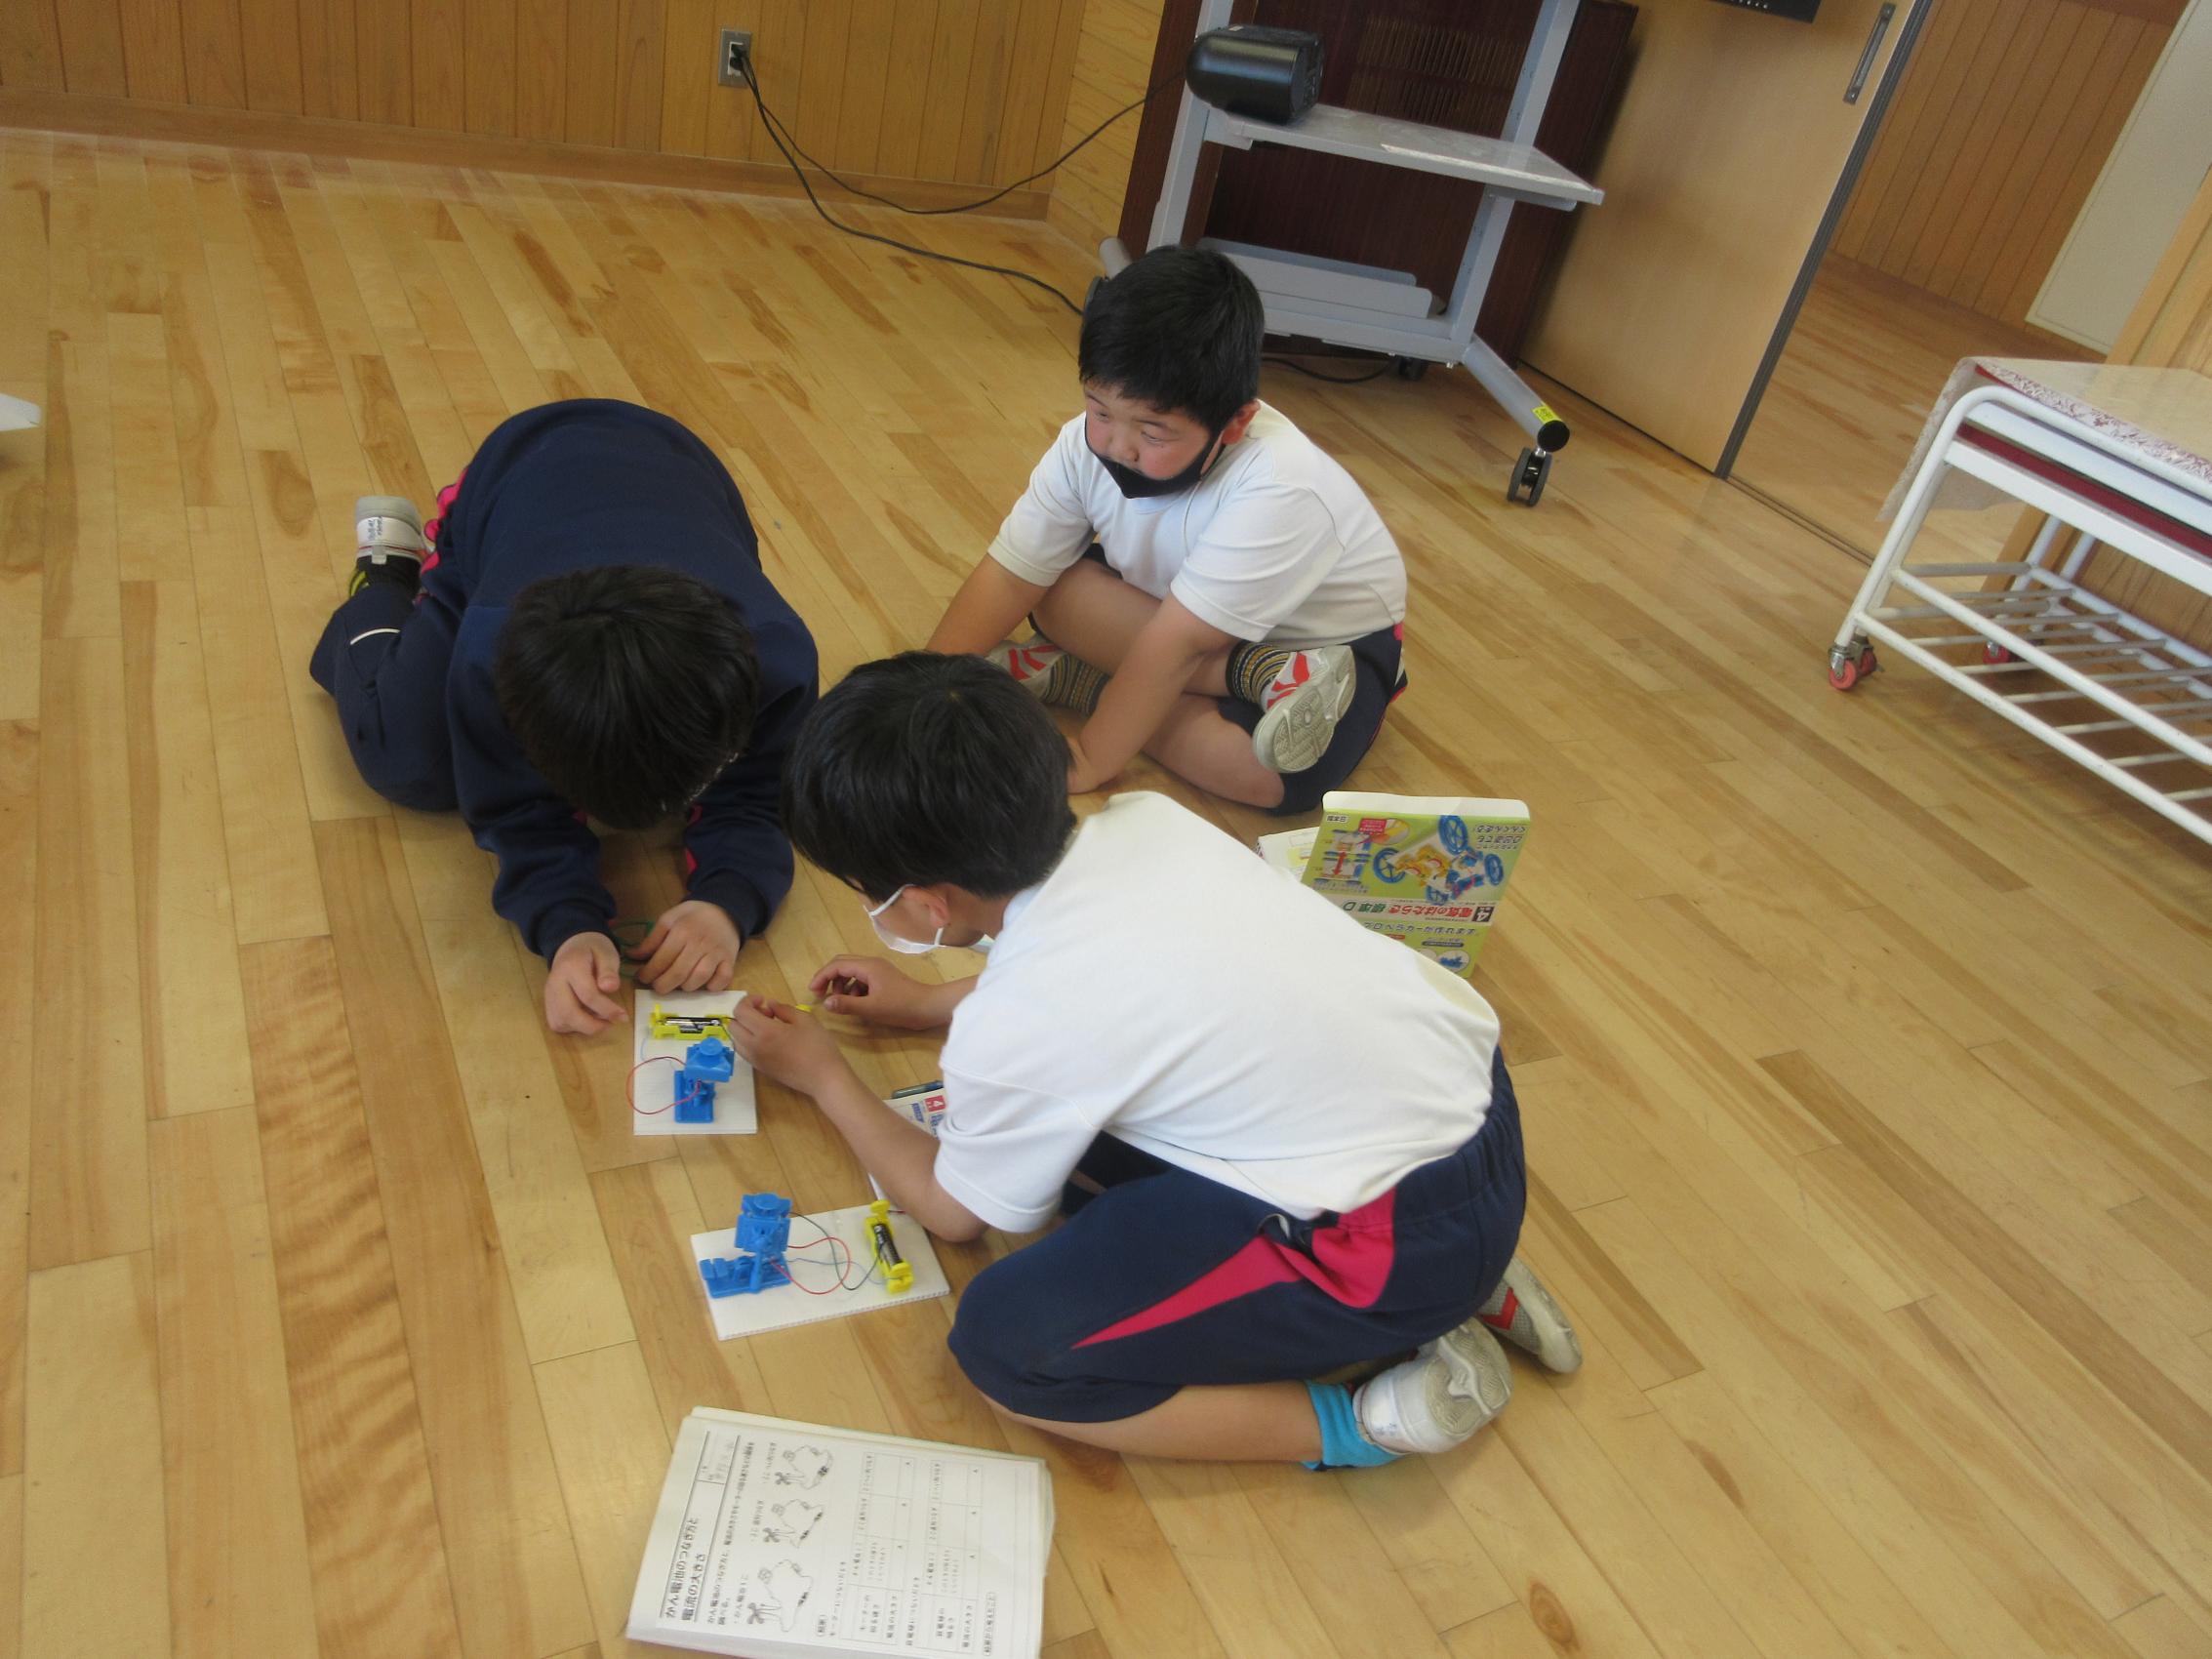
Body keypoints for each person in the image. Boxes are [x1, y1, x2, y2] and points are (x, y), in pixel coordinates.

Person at [729, 654, 1579, 1469]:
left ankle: (1373, 1420)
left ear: (922, 904)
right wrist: (924, 1004)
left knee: (1006, 1348)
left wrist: (824, 1076)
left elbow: (955, 1214)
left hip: (1390, 1244)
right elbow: (1122, 980)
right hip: (1476, 1117)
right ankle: (1462, 1286)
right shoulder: (1149, 820)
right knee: (1075, 1151)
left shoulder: (1019, 1023)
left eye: (869, 896)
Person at [309, 400, 818, 1034]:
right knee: (405, 760)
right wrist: (566, 925)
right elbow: (515, 807)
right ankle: (384, 580)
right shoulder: (491, 654)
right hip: (512, 476)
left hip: (677, 463)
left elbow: (760, 793)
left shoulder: (777, 657)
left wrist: (728, 902)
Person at [926, 246, 1410, 814]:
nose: (1117, 445)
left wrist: (1090, 757)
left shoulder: (1282, 484)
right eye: (1099, 410)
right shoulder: (1083, 443)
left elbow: (1174, 647)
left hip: (1321, 646)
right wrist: (920, 688)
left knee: (1267, 778)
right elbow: (1011, 576)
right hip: (1168, 613)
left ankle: (1086, 677)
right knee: (1051, 589)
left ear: (1236, 423)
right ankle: (1255, 676)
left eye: (1152, 434)